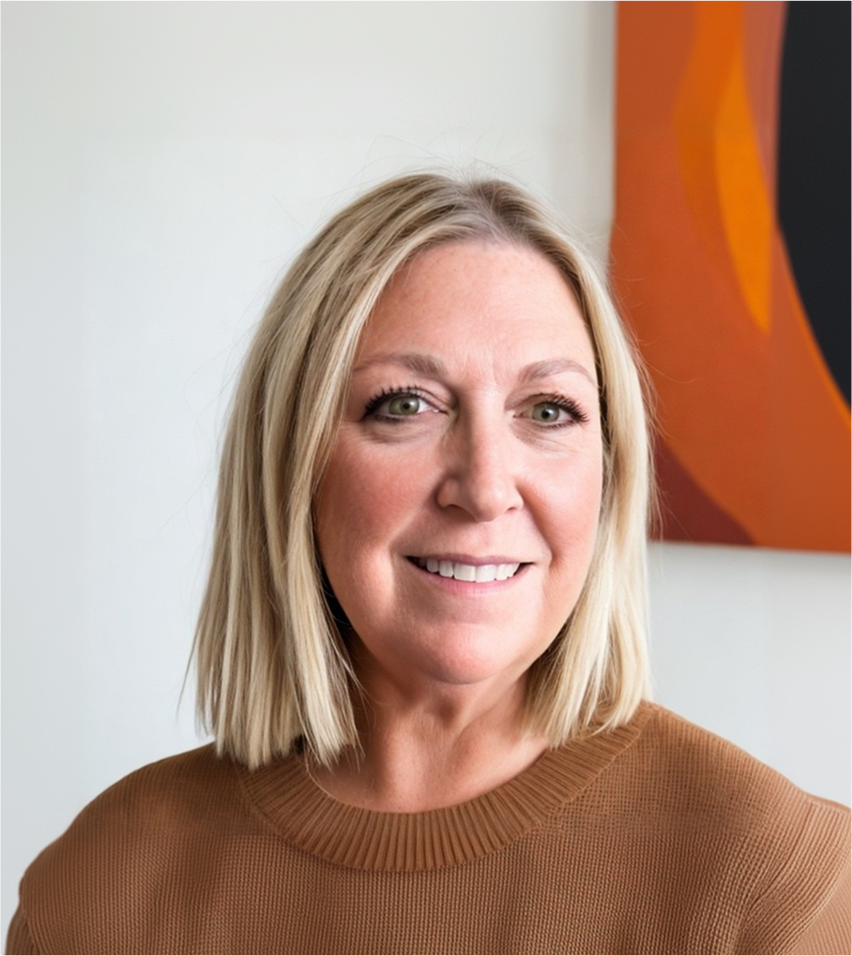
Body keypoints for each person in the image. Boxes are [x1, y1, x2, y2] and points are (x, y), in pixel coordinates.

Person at [6, 172, 851, 955]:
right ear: (293, 464)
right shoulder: (100, 894)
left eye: (548, 410)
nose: (485, 488)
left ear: (608, 475)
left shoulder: (782, 886)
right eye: (405, 405)